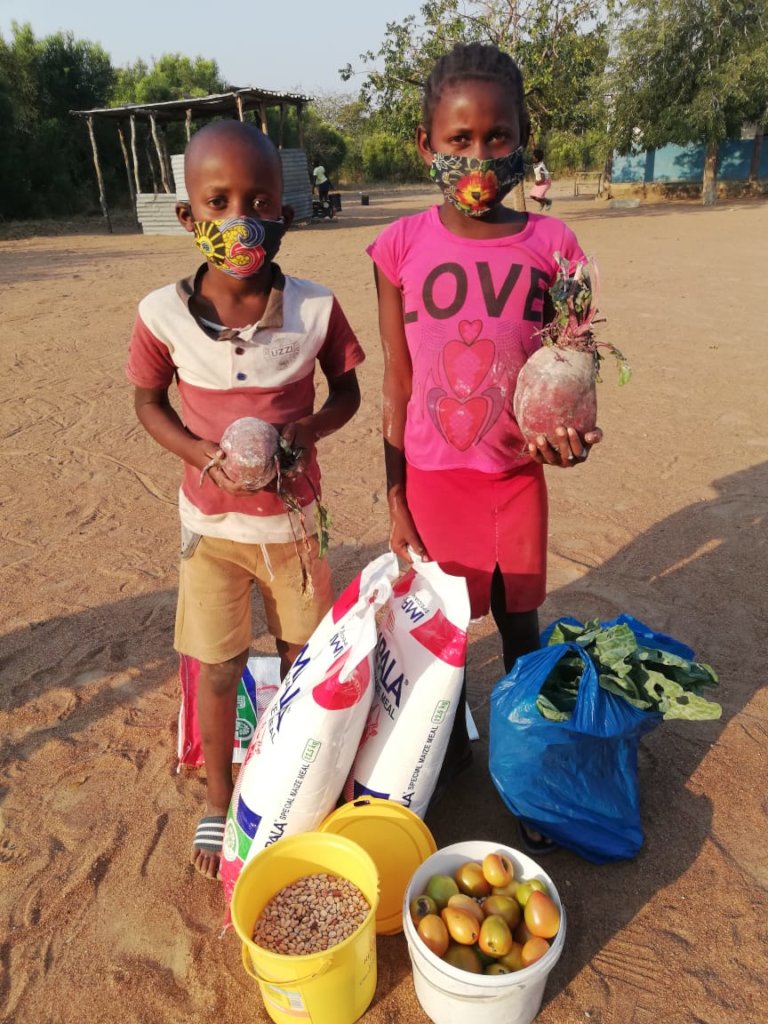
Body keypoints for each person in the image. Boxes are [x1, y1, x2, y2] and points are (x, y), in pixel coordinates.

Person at [367, 42, 602, 853]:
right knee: (443, 638)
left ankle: (530, 769)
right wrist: (395, 495)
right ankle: (449, 756)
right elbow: (397, 380)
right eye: (458, 140)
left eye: (498, 137)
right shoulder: (398, 247)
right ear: (425, 145)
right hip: (433, 480)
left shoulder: (557, 246)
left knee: (520, 626)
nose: (478, 158)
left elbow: (573, 371)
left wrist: (571, 443)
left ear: (523, 139)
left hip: (513, 479)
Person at [126, 121, 365, 879]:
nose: (240, 219)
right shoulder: (161, 315)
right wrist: (202, 455)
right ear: (188, 216)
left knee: (301, 661)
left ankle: (297, 782)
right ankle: (218, 797)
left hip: (293, 527)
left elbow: (348, 391)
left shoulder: (316, 307)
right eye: (218, 202)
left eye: (258, 202)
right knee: (219, 664)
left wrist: (306, 429)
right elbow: (148, 403)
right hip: (211, 530)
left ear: (284, 214)